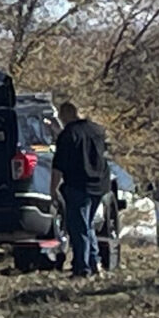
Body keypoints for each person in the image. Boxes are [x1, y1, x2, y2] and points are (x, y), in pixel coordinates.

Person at [50, 99, 110, 277]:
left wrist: (52, 190)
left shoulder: (68, 134)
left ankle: (82, 268)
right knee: (87, 225)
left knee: (79, 228)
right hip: (99, 184)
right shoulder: (98, 131)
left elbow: (58, 166)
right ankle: (95, 263)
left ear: (67, 114)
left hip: (78, 186)